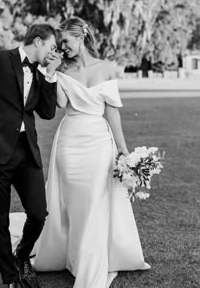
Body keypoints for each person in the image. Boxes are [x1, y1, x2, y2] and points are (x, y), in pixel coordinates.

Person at [33, 17, 150, 288]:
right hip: (70, 143)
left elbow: (113, 112)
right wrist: (50, 72)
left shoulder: (106, 68)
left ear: (82, 36)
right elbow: (61, 104)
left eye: (66, 41)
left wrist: (124, 151)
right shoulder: (60, 68)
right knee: (75, 205)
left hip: (98, 144)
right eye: (59, 43)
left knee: (95, 203)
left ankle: (91, 264)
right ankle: (73, 256)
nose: (62, 48)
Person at [0, 24, 62, 288]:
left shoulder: (41, 71)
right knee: (0, 218)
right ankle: (10, 278)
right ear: (38, 41)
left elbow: (47, 112)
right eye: (52, 47)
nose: (54, 53)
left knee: (39, 213)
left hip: (26, 152)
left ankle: (21, 255)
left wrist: (50, 75)